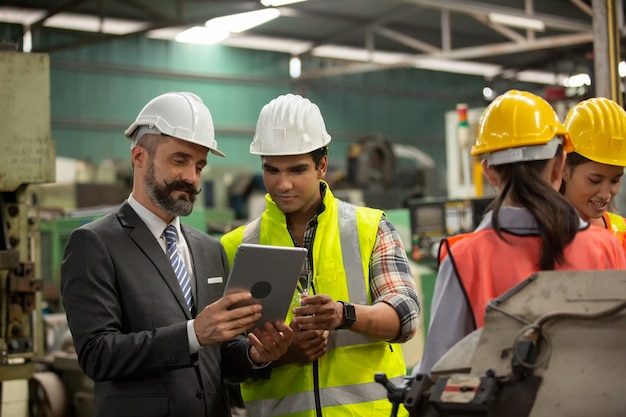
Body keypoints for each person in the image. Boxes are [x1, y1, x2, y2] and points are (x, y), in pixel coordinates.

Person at [61, 92, 293, 417]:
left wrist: (257, 354)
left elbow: (221, 353)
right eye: (179, 160)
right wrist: (192, 334)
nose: (192, 178)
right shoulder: (94, 244)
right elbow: (98, 354)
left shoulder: (209, 249)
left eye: (199, 165)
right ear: (139, 156)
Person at [220, 93, 420, 417]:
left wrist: (345, 315)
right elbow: (222, 356)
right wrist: (280, 354)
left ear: (322, 166)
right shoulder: (234, 246)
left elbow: (406, 316)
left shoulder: (369, 227)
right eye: (272, 170)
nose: (283, 184)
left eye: (297, 170)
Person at [417, 90, 626, 375]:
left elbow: (437, 373)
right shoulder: (604, 247)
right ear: (559, 166)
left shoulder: (462, 258)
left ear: (489, 172)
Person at [561, 97, 626, 246]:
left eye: (615, 180)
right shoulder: (541, 235)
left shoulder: (622, 233)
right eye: (595, 180)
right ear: (564, 167)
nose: (605, 194)